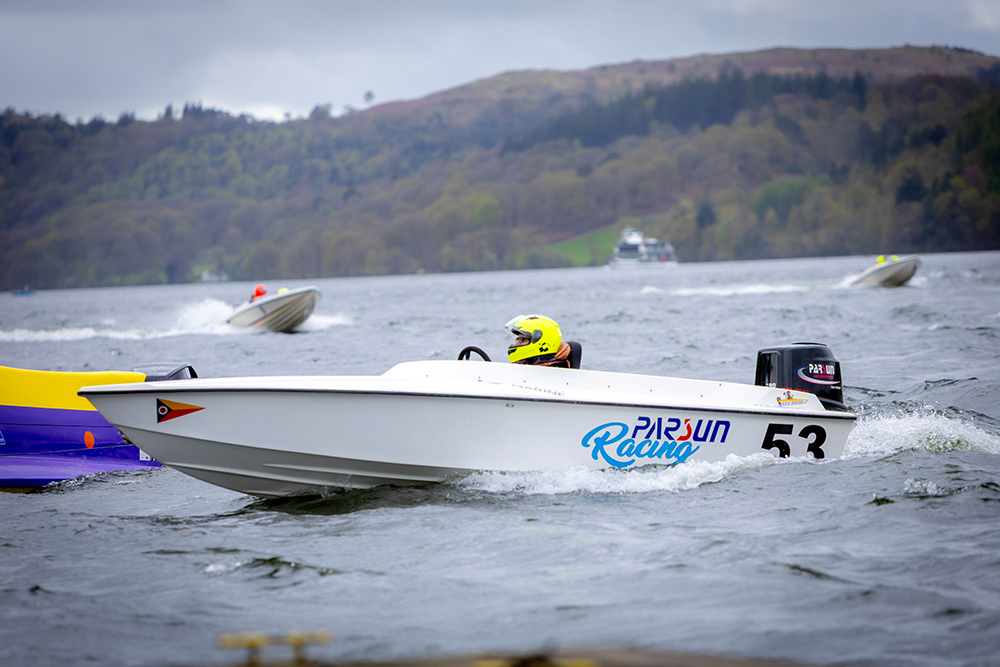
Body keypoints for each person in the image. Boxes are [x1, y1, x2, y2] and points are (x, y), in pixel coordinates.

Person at [505, 314, 581, 369]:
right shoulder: (527, 367)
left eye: (523, 340)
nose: (516, 344)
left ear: (542, 343)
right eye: (517, 339)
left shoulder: (555, 374)